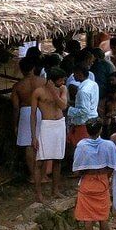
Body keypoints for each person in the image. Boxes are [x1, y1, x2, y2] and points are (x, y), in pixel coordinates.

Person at [72, 119, 116, 230]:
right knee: (103, 218)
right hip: (102, 182)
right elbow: (113, 166)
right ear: (100, 130)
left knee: (87, 219)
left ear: (87, 130)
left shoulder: (82, 145)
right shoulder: (108, 145)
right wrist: (106, 177)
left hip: (87, 182)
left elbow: (76, 170)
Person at [32, 67, 68, 202]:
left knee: (58, 159)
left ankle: (55, 190)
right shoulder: (38, 92)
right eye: (61, 79)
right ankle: (39, 194)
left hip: (59, 124)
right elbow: (33, 115)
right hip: (46, 126)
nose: (63, 82)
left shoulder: (63, 89)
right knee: (40, 161)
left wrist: (54, 92)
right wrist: (33, 136)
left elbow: (63, 106)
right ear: (52, 80)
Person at [12, 58, 44, 191]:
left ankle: (32, 175)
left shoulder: (18, 86)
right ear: (33, 68)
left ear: (21, 69)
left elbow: (15, 107)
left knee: (29, 146)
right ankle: (43, 175)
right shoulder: (42, 81)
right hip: (41, 111)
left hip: (26, 112)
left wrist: (15, 123)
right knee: (42, 143)